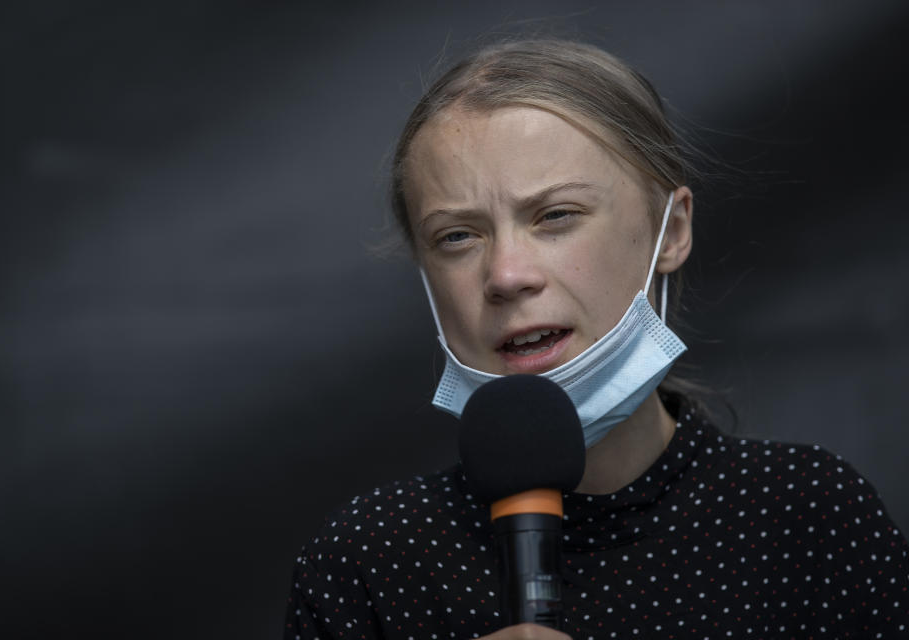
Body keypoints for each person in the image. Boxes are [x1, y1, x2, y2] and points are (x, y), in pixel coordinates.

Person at [284, 39, 908, 639]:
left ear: (671, 230)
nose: (505, 276)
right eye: (457, 237)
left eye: (555, 216)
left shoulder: (810, 517)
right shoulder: (369, 562)